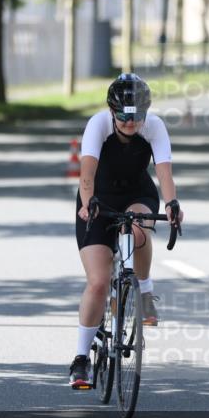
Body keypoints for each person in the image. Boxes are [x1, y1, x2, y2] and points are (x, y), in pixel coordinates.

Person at [70, 73, 184, 388]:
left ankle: (144, 291)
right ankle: (81, 359)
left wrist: (172, 204)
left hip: (137, 194)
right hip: (98, 197)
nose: (131, 123)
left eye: (137, 116)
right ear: (112, 111)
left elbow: (164, 173)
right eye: (124, 117)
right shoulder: (98, 125)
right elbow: (87, 174)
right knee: (98, 282)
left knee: (138, 229)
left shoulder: (154, 126)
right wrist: (88, 203)